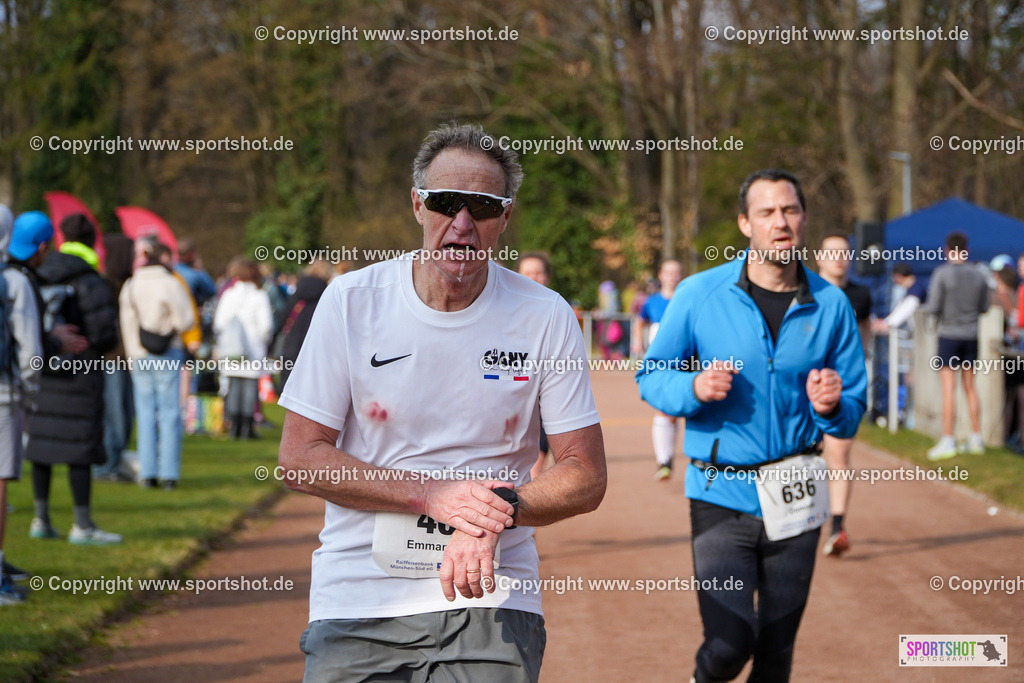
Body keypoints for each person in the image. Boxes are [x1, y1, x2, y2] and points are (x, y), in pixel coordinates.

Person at [278, 122, 606, 682]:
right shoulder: (351, 302)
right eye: (446, 202)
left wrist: (490, 515)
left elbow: (584, 474)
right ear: (417, 205)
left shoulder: (546, 315)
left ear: (504, 218)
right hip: (361, 599)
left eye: (481, 207)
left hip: (493, 597)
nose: (461, 224)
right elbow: (300, 457)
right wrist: (429, 495)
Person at [636, 169, 866, 682]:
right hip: (722, 490)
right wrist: (692, 389)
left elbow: (854, 405)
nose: (779, 222)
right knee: (729, 642)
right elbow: (652, 375)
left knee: (776, 651)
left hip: (797, 491)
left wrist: (831, 407)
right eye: (766, 212)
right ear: (745, 223)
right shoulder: (699, 293)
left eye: (789, 211)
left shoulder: (831, 306)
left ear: (803, 219)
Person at [22, 213, 122, 545]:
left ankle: (41, 519)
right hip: (80, 371)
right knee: (79, 446)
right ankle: (82, 525)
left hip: (44, 368)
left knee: (42, 443)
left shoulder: (35, 275)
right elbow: (105, 334)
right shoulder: (90, 278)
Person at [120, 236, 196, 489]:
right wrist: (168, 327)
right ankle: (169, 474)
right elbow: (187, 321)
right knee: (170, 413)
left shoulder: (131, 285)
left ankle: (147, 472)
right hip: (168, 353)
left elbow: (127, 325)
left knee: (144, 413)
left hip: (139, 355)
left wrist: (133, 356)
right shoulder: (170, 283)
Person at [815, 233, 871, 557]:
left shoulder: (861, 294)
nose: (838, 258)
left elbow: (863, 333)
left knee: (839, 453)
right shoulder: (805, 291)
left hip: (842, 385)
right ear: (819, 258)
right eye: (831, 252)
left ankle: (837, 527)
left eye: (844, 253)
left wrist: (862, 371)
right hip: (802, 385)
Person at [0, 205, 43, 603]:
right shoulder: (14, 281)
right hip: (4, 394)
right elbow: (30, 348)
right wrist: (30, 388)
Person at [919, 232, 990, 460]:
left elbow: (933, 306)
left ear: (947, 250)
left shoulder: (942, 273)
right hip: (971, 336)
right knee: (970, 387)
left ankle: (948, 439)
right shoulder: (979, 275)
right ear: (967, 250)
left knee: (948, 389)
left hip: (949, 335)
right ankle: (976, 437)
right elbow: (985, 307)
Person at [631, 259, 684, 481]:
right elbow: (640, 322)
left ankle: (670, 458)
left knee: (678, 411)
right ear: (661, 275)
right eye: (668, 272)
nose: (672, 276)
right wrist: (637, 342)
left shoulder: (686, 299)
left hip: (685, 359)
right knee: (664, 407)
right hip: (660, 361)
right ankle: (664, 460)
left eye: (676, 272)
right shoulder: (652, 302)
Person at [214, 257, 273, 440]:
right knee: (249, 387)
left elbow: (219, 323)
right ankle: (247, 429)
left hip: (231, 349)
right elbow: (266, 326)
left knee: (233, 386)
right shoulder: (259, 295)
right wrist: (262, 341)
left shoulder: (228, 295)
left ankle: (234, 428)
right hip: (253, 349)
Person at [95, 234, 135, 482]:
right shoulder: (104, 286)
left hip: (126, 356)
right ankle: (106, 465)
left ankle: (114, 461)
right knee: (114, 413)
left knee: (124, 412)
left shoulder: (129, 284)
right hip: (112, 356)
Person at [516, 251, 555, 480]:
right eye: (528, 273)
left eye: (539, 273)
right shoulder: (502, 309)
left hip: (544, 388)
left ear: (547, 277)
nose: (533, 278)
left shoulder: (557, 310)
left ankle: (529, 492)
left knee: (535, 461)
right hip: (511, 388)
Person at [274, 259, 332, 392]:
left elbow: (283, 319)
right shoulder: (327, 294)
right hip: (315, 344)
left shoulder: (297, 293)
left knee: (288, 388)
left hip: (292, 343)